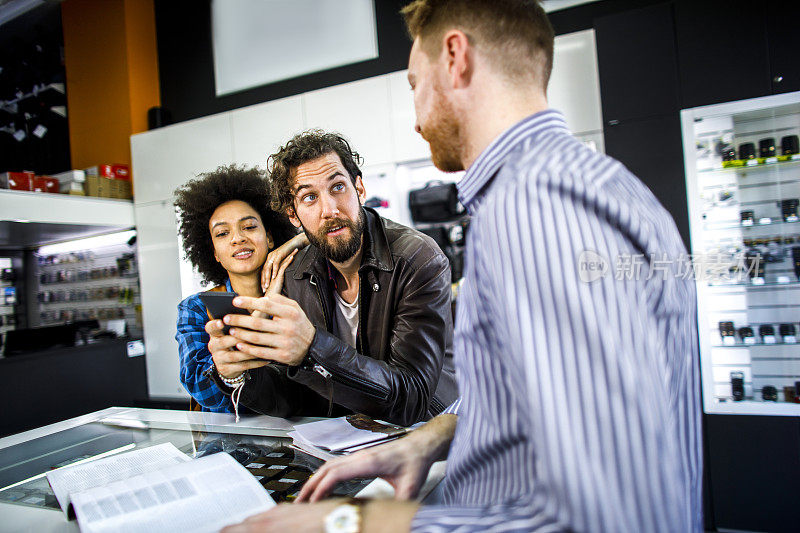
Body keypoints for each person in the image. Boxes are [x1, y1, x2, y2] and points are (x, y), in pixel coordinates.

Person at [223, 0, 702, 532]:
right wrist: (434, 438)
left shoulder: (537, 209)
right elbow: (528, 399)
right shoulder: (584, 186)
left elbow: (599, 515)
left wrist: (350, 524)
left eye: (413, 83)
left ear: (454, 58)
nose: (417, 116)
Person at [206, 131, 458, 425]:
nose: (329, 210)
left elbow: (413, 398)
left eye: (338, 187)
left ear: (359, 189)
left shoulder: (418, 260)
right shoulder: (296, 273)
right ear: (293, 215)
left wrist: (312, 347)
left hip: (429, 434)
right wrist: (237, 375)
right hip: (343, 440)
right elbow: (293, 398)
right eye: (309, 197)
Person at [174, 164, 300, 413]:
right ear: (214, 253)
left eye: (250, 227)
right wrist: (225, 373)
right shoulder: (196, 309)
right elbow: (200, 388)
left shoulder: (301, 295)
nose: (237, 238)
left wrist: (299, 239)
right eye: (222, 233)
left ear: (270, 237)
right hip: (232, 443)